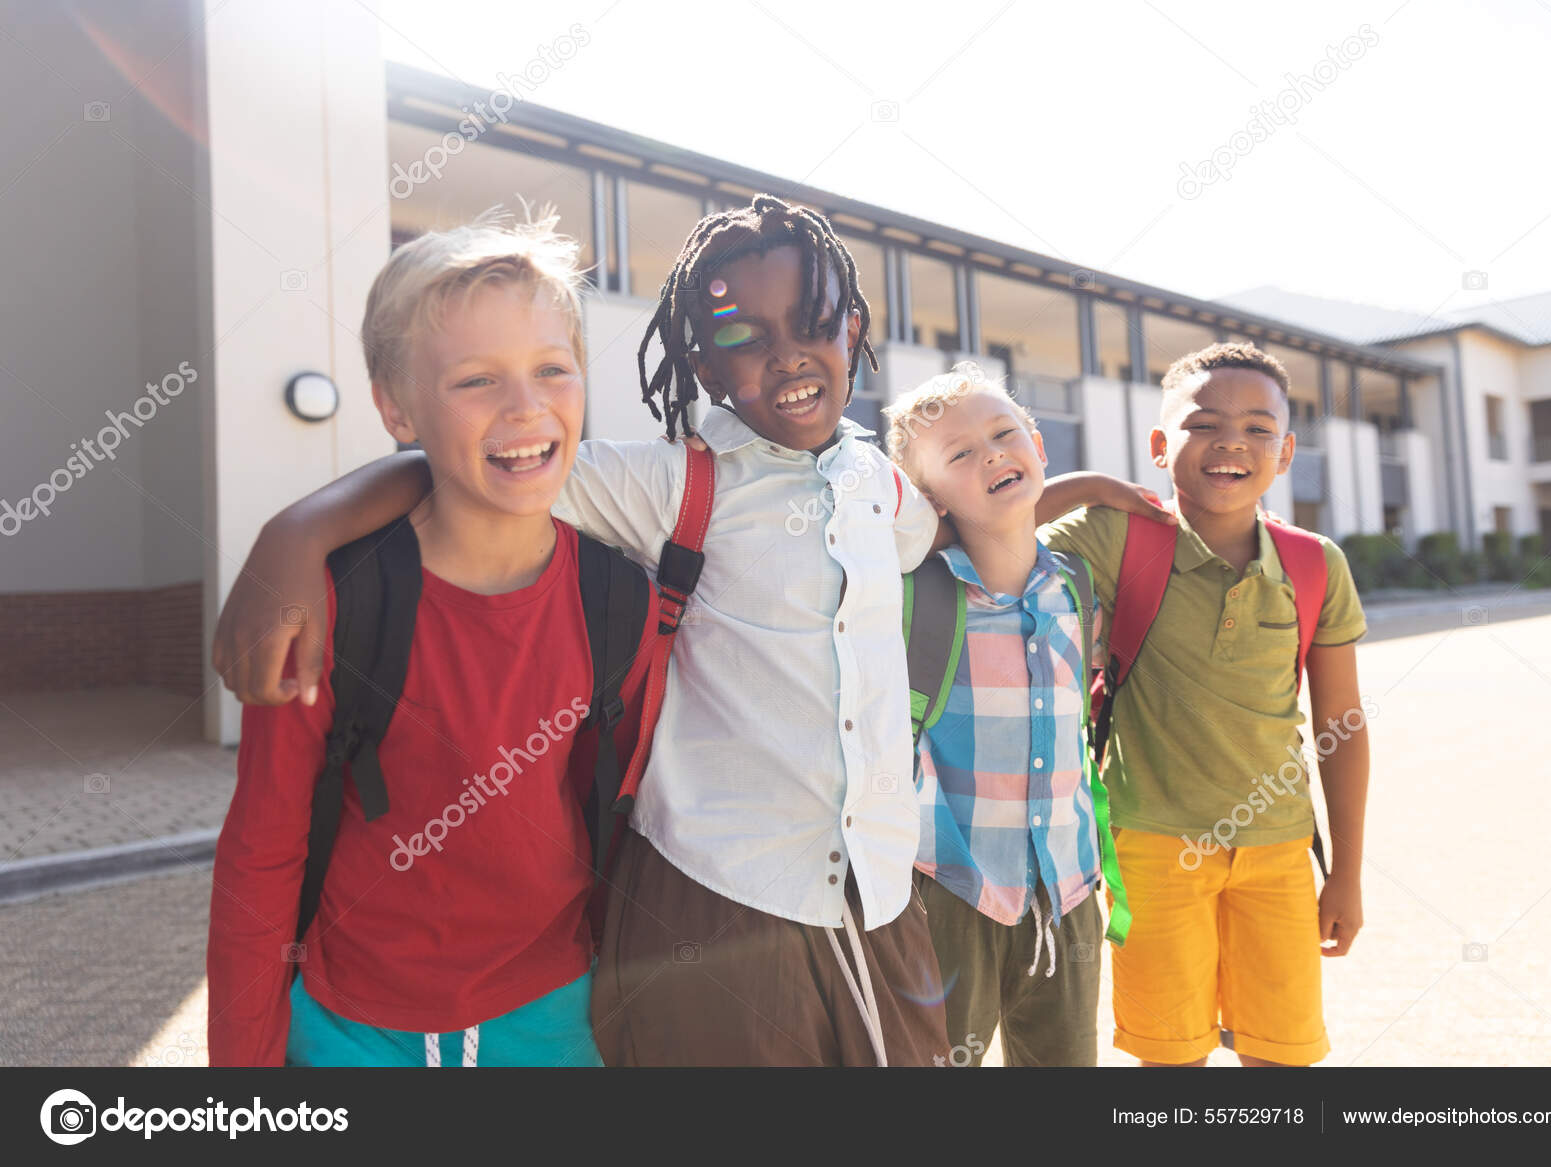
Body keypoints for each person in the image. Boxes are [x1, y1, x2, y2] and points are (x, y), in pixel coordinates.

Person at [209, 195, 1169, 1066]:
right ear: (701, 363)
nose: (788, 355)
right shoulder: (675, 483)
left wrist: (1074, 489)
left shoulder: (883, 488)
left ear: (856, 329)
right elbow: (488, 467)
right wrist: (294, 537)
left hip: (880, 900)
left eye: (813, 324)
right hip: (718, 899)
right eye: (744, 337)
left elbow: (969, 515)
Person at [206, 211, 654, 1066]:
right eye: (476, 381)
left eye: (551, 369)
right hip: (350, 1026)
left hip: (557, 1015)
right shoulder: (333, 605)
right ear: (395, 407)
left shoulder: (620, 600)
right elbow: (261, 856)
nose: (526, 408)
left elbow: (627, 818)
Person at [1041, 341, 1370, 1067]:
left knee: (1281, 1056)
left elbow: (1340, 728)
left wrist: (1345, 870)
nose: (1231, 442)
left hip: (1280, 852)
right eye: (1204, 424)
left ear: (1284, 453)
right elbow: (988, 525)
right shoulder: (1113, 534)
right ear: (1160, 445)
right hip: (1150, 846)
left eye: (1257, 428)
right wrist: (1089, 483)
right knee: (1170, 1059)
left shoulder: (1316, 563)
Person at [883, 363, 1116, 1066]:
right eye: (959, 454)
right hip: (951, 891)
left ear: (1038, 445)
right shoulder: (910, 598)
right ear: (928, 499)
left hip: (1069, 888)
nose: (989, 454)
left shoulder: (1078, 587)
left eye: (1002, 433)